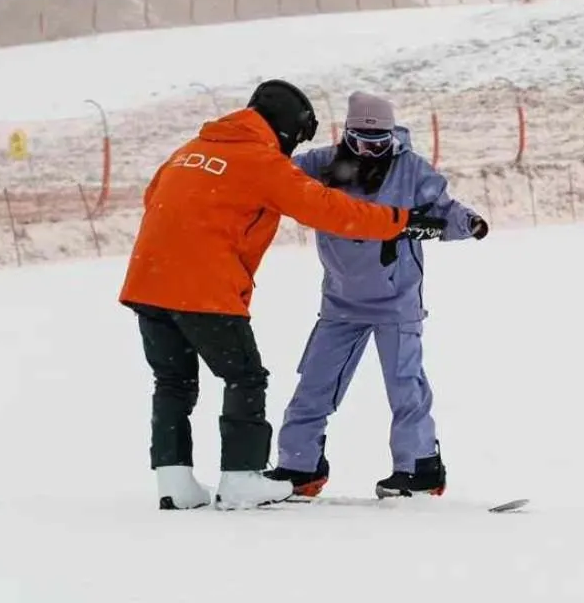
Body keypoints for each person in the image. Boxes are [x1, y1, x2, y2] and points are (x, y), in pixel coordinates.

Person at [118, 79, 448, 511]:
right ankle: (241, 478)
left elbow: (154, 197)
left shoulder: (189, 152)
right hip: (204, 289)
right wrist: (400, 220)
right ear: (289, 127)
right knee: (245, 378)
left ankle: (174, 482)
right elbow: (330, 209)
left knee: (174, 382)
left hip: (147, 283)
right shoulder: (261, 162)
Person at [264, 92, 489, 500]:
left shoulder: (411, 169)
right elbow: (276, 179)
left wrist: (468, 223)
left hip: (395, 301)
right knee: (315, 383)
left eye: (380, 143)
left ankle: (418, 469)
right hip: (340, 302)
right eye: (361, 142)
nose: (370, 150)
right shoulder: (322, 164)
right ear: (346, 134)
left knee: (405, 386)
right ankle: (299, 465)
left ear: (393, 138)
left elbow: (443, 207)